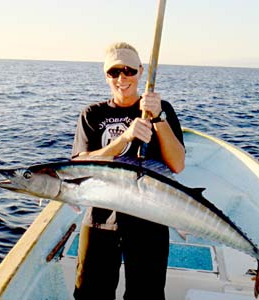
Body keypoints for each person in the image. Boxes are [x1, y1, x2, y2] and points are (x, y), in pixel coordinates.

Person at [71, 41, 185, 300]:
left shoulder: (160, 108)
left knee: (146, 295)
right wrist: (124, 138)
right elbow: (79, 165)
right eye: (114, 72)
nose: (122, 78)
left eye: (129, 70)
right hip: (101, 219)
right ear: (106, 76)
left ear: (141, 71)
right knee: (90, 293)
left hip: (150, 218)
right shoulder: (92, 114)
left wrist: (158, 119)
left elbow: (177, 165)